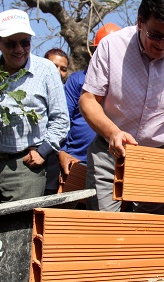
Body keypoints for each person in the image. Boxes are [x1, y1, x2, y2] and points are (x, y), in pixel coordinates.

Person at [79, 0, 164, 214]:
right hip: (109, 152)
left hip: (156, 158)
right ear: (140, 22)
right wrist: (113, 133)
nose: (163, 45)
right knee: (104, 228)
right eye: (155, 35)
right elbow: (89, 99)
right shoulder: (111, 46)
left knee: (147, 232)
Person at [0, 9, 69, 207]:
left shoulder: (46, 70)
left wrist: (43, 151)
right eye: (11, 43)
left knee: (21, 231)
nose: (19, 49)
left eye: (24, 42)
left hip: (25, 167)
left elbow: (61, 119)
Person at [58, 23, 121, 198]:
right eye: (100, 50)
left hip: (114, 163)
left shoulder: (127, 84)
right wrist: (62, 152)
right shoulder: (78, 80)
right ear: (93, 52)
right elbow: (63, 119)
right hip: (76, 162)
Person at [43, 47, 70, 195]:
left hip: (55, 166)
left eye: (63, 68)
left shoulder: (69, 94)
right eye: (54, 66)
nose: (58, 71)